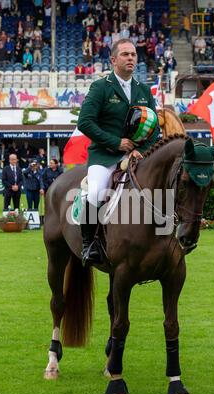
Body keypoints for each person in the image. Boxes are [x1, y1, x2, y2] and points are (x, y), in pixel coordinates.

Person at [77, 38, 159, 266]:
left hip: (137, 157)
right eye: (125, 54)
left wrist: (139, 149)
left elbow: (155, 128)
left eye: (133, 54)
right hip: (105, 156)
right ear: (113, 60)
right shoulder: (101, 87)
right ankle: (89, 244)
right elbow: (85, 122)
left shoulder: (143, 89)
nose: (131, 58)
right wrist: (116, 143)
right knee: (94, 193)